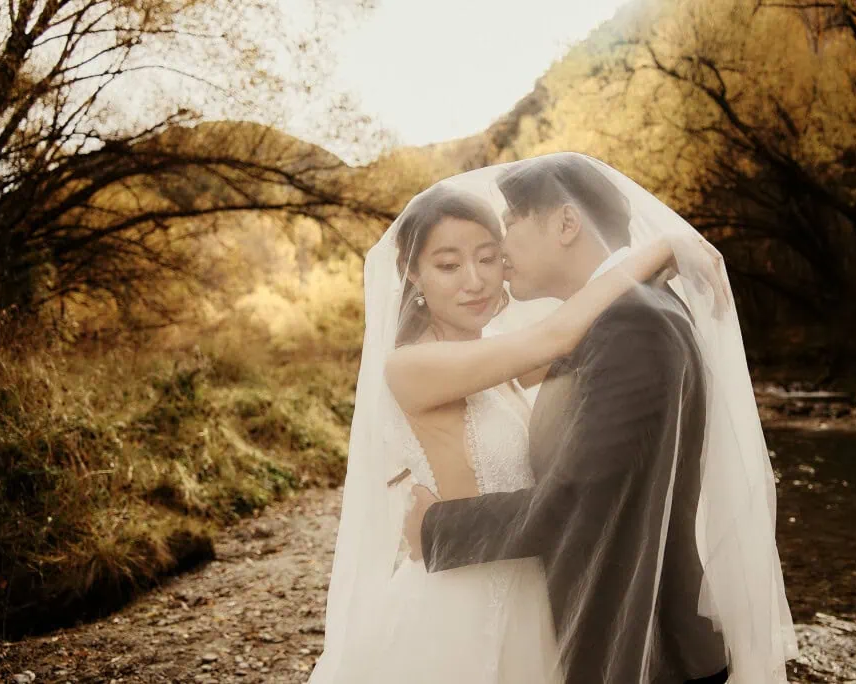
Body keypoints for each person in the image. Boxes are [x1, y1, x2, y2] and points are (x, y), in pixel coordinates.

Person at [404, 152, 799, 683]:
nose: (502, 248)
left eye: (512, 223)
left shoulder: (632, 324)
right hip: (615, 638)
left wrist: (435, 530)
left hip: (648, 651)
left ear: (566, 223)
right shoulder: (615, 317)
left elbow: (579, 504)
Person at [307, 175, 677, 683]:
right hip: (459, 607)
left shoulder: (492, 360)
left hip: (526, 596)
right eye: (448, 265)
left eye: (488, 257)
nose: (475, 280)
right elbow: (562, 333)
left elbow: (585, 346)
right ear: (413, 275)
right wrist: (659, 251)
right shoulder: (412, 367)